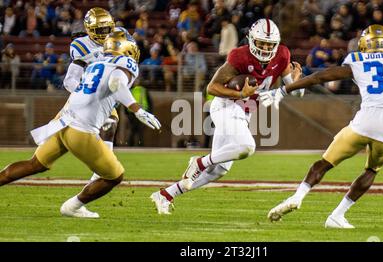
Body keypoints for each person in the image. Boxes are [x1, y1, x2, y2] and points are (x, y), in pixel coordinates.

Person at [259, 24, 383, 228]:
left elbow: (320, 77)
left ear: (365, 43)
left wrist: (284, 90)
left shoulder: (357, 59)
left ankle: (298, 196)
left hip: (363, 124)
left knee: (325, 163)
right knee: (371, 170)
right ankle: (337, 215)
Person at [0, 31, 161, 218]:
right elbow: (116, 83)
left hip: (63, 121)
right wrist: (138, 110)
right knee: (115, 176)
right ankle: (73, 206)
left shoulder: (97, 63)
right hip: (80, 131)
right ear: (126, 48)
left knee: (35, 163)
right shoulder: (127, 63)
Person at [150, 18, 303, 215]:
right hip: (226, 105)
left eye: (269, 44)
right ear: (251, 40)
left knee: (218, 170)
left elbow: (294, 91)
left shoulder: (282, 54)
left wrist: (298, 79)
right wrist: (241, 94)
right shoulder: (240, 56)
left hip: (244, 112)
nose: (265, 48)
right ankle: (199, 162)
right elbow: (212, 87)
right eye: (261, 43)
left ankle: (165, 195)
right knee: (247, 147)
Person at [61, 8, 127, 210]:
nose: (104, 32)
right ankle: (101, 168)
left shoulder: (118, 38)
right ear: (89, 29)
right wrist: (83, 92)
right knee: (43, 157)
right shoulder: (80, 45)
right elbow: (69, 80)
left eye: (108, 28)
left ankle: (100, 169)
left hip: (104, 95)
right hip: (83, 94)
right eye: (100, 29)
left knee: (112, 122)